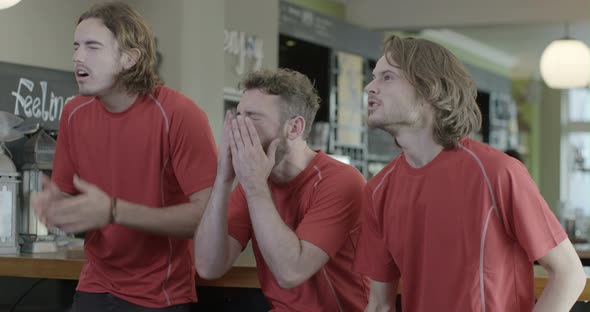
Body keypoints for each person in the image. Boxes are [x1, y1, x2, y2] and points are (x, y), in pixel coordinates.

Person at [354, 34, 586, 312]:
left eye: (387, 77)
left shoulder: (498, 172)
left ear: (429, 88)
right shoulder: (378, 189)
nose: (370, 87)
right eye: (373, 76)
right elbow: (379, 304)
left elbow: (569, 274)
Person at [32, 2, 217, 311]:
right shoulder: (73, 113)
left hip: (160, 295)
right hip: (94, 283)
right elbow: (67, 195)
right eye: (76, 46)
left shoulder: (181, 114)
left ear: (129, 58)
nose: (78, 56)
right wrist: (55, 208)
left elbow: (209, 219)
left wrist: (115, 211)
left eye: (92, 47)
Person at [194, 68, 369, 311]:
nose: (238, 128)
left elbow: (291, 272)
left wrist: (254, 184)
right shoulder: (253, 183)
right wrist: (223, 178)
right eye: (238, 116)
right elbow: (208, 266)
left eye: (253, 118)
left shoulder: (341, 181)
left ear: (295, 128)